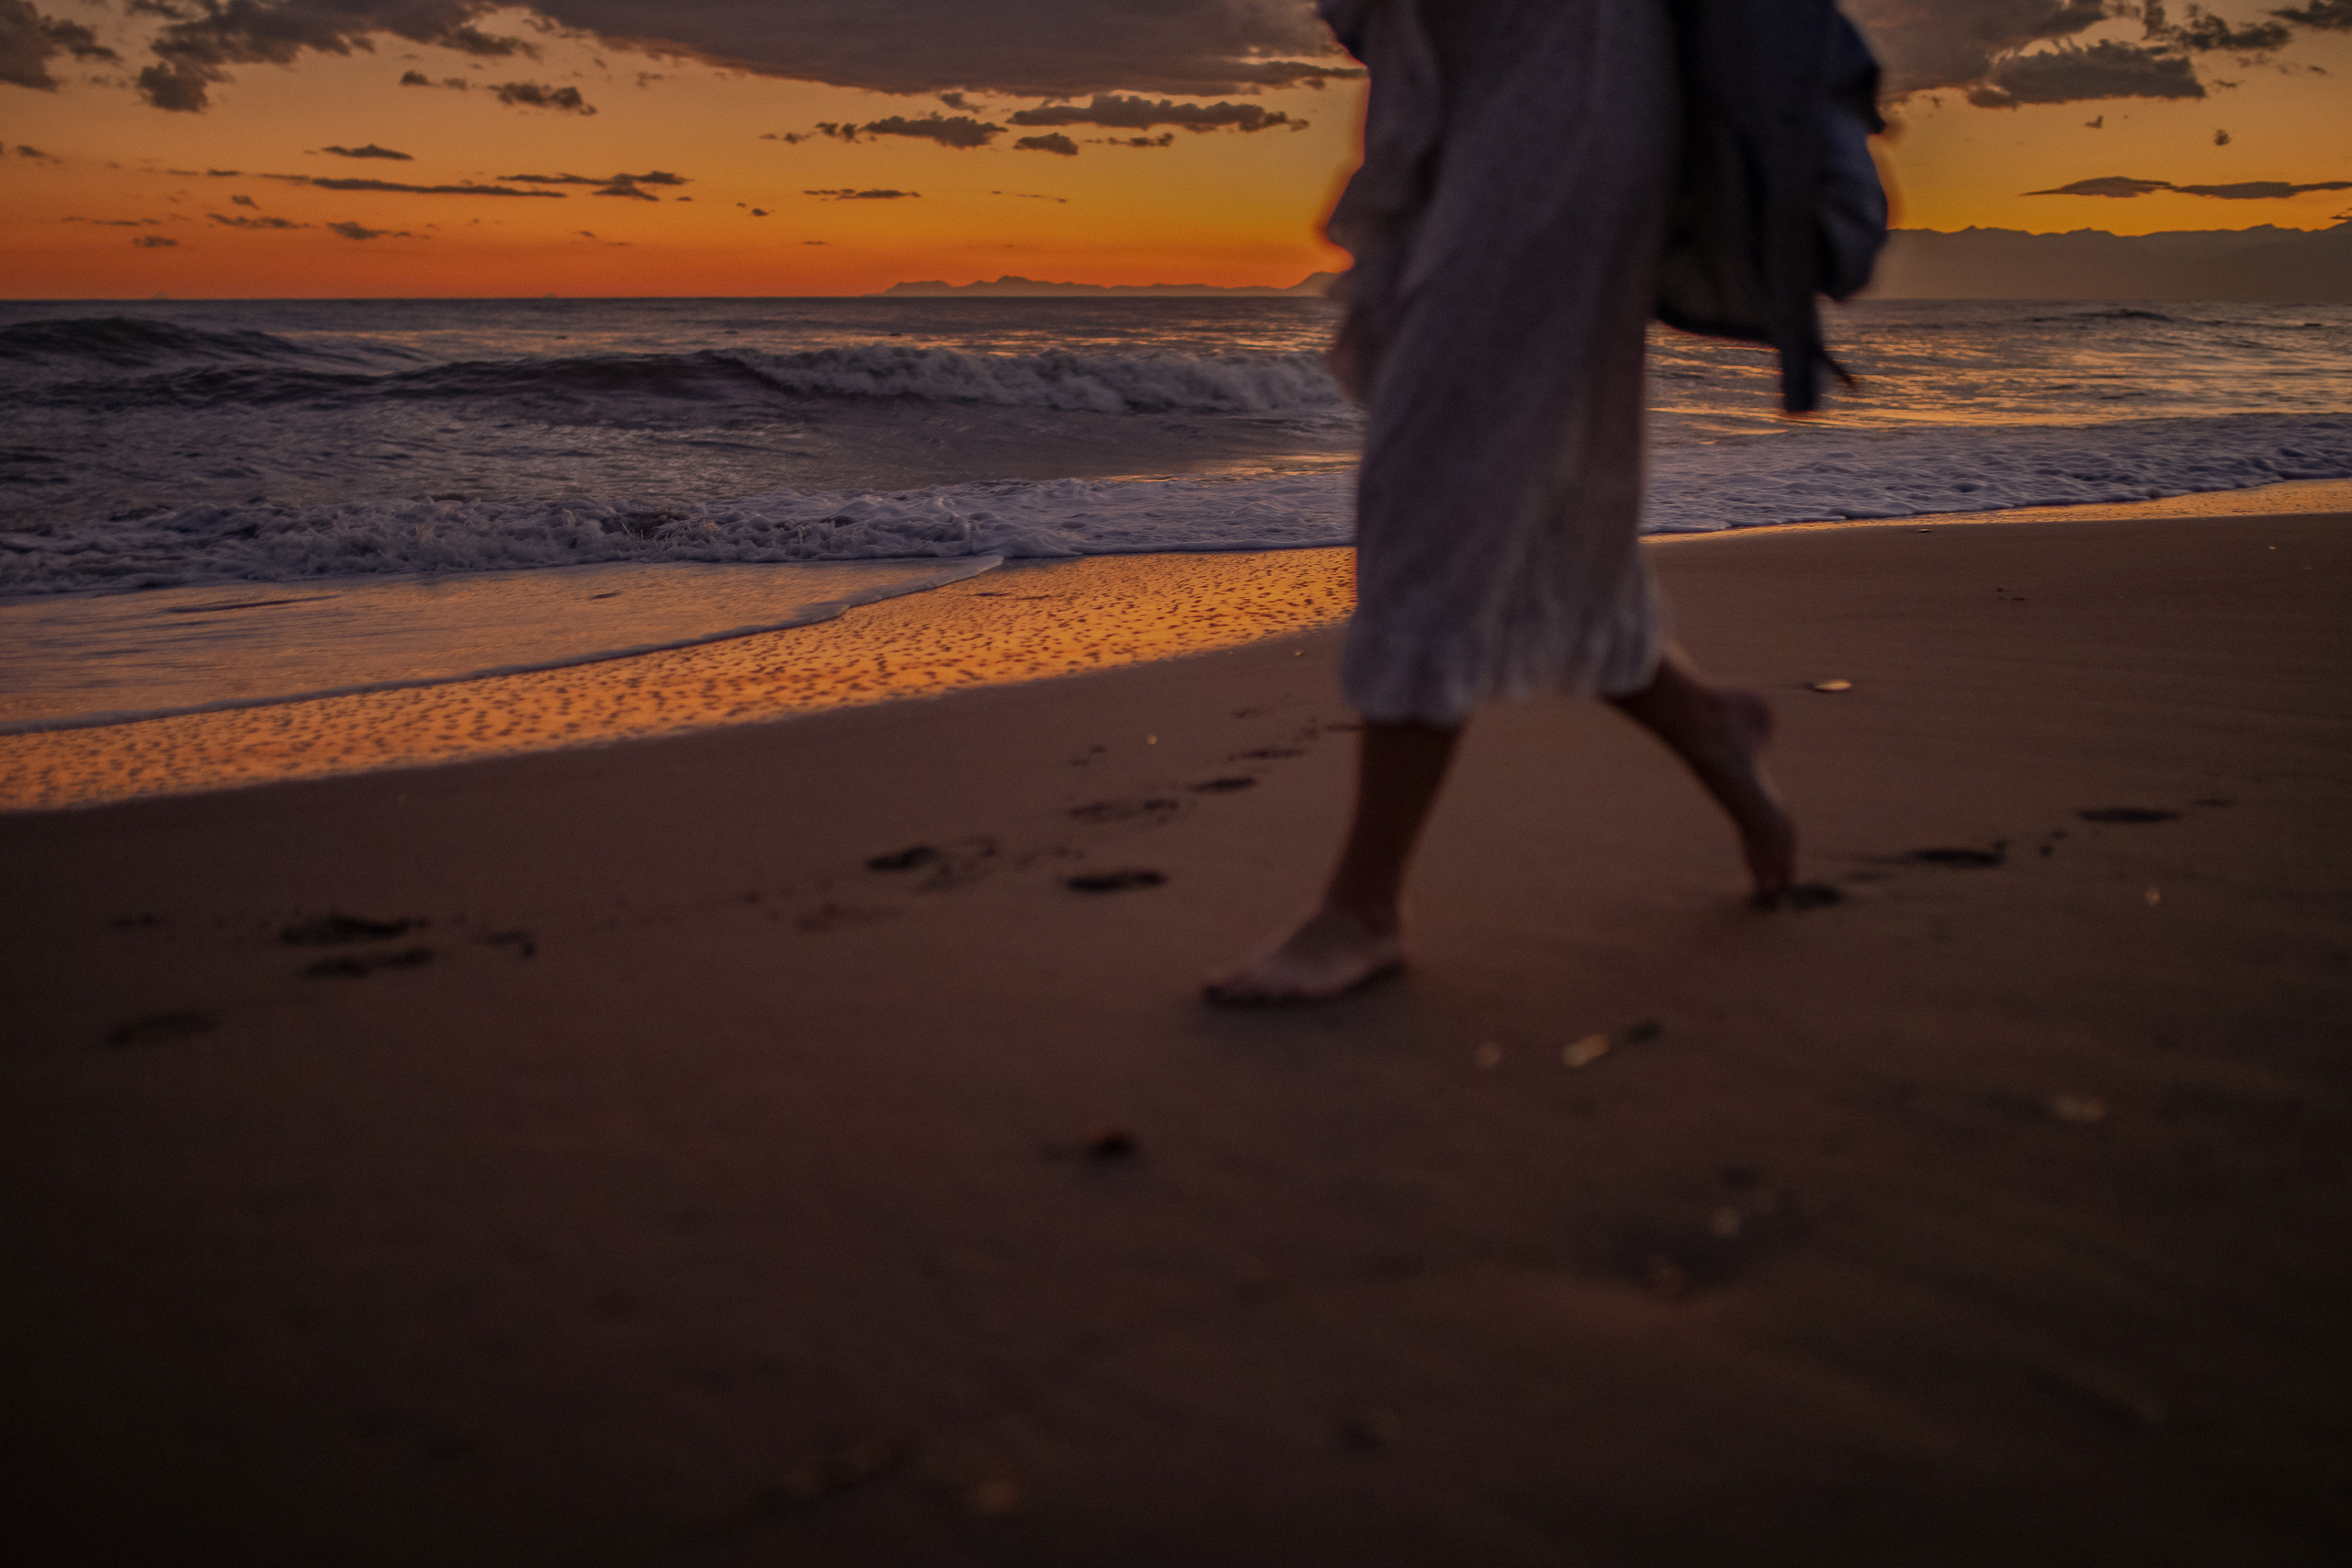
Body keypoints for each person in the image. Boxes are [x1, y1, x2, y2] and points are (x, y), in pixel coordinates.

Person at [1205, 0, 1805, 1006]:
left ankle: (1364, 905)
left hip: (1564, 68)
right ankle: (1704, 720)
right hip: (1460, 79)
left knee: (1437, 474)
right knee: (1500, 483)